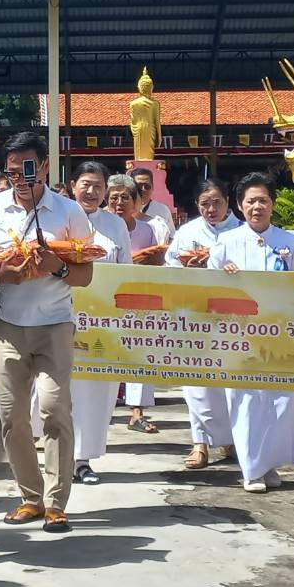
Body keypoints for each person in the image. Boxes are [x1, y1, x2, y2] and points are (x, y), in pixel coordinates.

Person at [0, 133, 94, 533]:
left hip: (55, 323)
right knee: (12, 418)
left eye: (27, 168)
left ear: (43, 166)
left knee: (55, 410)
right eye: (11, 169)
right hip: (6, 324)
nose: (20, 177)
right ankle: (30, 497)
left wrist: (56, 266)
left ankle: (57, 502)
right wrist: (0, 274)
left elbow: (85, 274)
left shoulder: (69, 212)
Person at [209, 172, 294, 492]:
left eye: (263, 201)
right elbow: (206, 286)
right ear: (240, 207)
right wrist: (222, 274)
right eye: (250, 201)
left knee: (283, 401)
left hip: (280, 334)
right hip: (240, 335)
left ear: (272, 205)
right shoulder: (226, 242)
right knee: (246, 401)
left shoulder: (288, 242)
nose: (257, 207)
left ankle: (269, 463)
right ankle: (251, 470)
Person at [64, 161, 133, 483]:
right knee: (56, 390)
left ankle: (83, 459)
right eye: (86, 184)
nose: (91, 192)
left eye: (99, 187)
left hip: (102, 322)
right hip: (60, 316)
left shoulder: (115, 225)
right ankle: (55, 455)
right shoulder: (57, 216)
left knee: (95, 392)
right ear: (72, 184)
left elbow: (126, 272)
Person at [168, 179, 242, 470]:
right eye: (204, 204)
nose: (211, 209)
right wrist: (189, 268)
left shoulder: (241, 231)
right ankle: (200, 443)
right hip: (195, 317)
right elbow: (171, 266)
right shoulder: (187, 232)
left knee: (231, 384)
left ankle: (230, 440)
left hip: (234, 318)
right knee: (197, 384)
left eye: (216, 202)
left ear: (228, 201)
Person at [108, 172, 164, 432]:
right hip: (104, 301)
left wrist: (148, 258)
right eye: (114, 198)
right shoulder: (97, 228)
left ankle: (137, 412)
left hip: (138, 299)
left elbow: (157, 264)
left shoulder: (148, 229)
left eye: (125, 197)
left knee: (139, 352)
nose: (119, 203)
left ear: (136, 201)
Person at [131, 165, 175, 231]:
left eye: (147, 186)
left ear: (152, 188)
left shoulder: (163, 210)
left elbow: (171, 236)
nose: (143, 189)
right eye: (139, 186)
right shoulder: (126, 208)